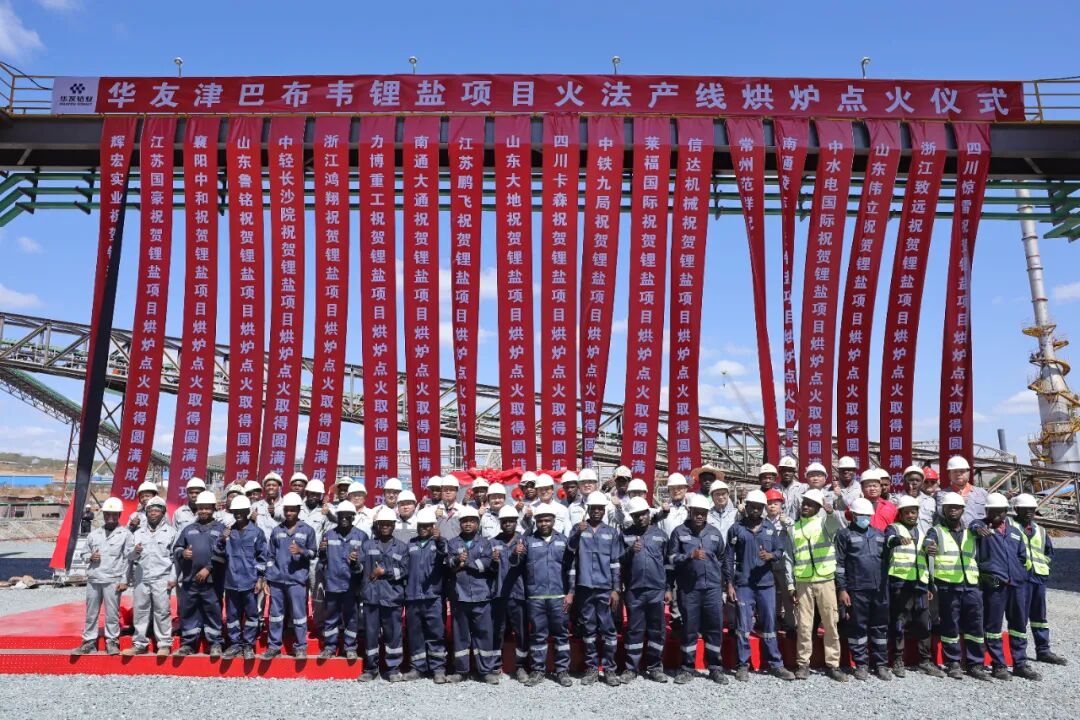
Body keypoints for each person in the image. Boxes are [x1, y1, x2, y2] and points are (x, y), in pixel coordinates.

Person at [725, 490, 795, 682]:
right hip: (744, 585)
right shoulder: (736, 529)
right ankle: (743, 665)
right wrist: (729, 583)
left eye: (759, 507)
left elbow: (780, 550)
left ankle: (776, 664)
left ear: (763, 508)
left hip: (766, 585)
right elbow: (729, 558)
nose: (755, 510)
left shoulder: (770, 528)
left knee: (770, 625)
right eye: (752, 506)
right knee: (743, 626)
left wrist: (771, 556)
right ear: (746, 507)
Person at [971, 492, 1041, 681]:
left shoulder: (1015, 532)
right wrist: (978, 528)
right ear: (986, 511)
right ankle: (999, 665)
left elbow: (1022, 556)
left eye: (1000, 511)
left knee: (1019, 625)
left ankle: (1020, 664)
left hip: (1016, 585)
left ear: (1005, 512)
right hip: (995, 586)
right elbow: (973, 526)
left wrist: (1020, 574)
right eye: (992, 511)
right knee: (993, 626)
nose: (996, 514)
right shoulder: (982, 527)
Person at [924, 492, 988, 680]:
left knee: (975, 624)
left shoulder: (971, 530)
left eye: (957, 507)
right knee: (950, 625)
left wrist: (979, 526)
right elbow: (927, 542)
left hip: (971, 584)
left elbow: (979, 525)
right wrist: (928, 547)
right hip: (948, 586)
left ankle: (975, 663)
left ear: (962, 510)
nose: (953, 510)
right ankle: (953, 663)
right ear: (943, 510)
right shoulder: (936, 531)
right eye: (949, 507)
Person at [667, 493, 728, 685]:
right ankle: (687, 668)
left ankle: (715, 668)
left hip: (712, 589)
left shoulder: (714, 533)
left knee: (714, 628)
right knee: (689, 629)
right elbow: (670, 559)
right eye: (696, 512)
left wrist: (723, 582)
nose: (700, 516)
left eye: (703, 513)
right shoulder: (679, 532)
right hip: (689, 589)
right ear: (690, 511)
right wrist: (689, 556)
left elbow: (722, 558)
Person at [511, 503, 573, 687]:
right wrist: (515, 554)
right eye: (540, 520)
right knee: (538, 635)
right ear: (536, 522)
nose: (544, 523)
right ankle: (538, 670)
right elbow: (515, 565)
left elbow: (571, 569)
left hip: (559, 597)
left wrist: (570, 593)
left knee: (561, 635)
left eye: (547, 520)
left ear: (554, 520)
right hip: (536, 597)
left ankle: (562, 671)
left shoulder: (564, 540)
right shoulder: (528, 541)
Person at [566, 491, 623, 686]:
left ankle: (609, 669)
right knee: (588, 629)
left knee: (608, 629)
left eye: (600, 508)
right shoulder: (579, 528)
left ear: (604, 510)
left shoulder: (611, 532)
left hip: (605, 588)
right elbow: (570, 552)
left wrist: (616, 589)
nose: (597, 511)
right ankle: (591, 668)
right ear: (588, 509)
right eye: (594, 508)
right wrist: (577, 533)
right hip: (584, 587)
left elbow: (615, 563)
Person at [791, 488, 847, 682]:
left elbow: (836, 525)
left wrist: (830, 512)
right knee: (804, 625)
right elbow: (790, 557)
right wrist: (791, 585)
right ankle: (803, 664)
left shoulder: (825, 523)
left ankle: (833, 664)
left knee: (830, 623)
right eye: (804, 503)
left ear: (817, 508)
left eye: (810, 504)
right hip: (803, 581)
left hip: (825, 579)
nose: (805, 507)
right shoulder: (794, 528)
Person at [884, 495, 943, 677]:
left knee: (924, 623)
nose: (911, 515)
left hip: (920, 584)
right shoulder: (894, 528)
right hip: (900, 584)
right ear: (901, 514)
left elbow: (928, 557)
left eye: (913, 512)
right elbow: (889, 540)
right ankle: (898, 659)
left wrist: (929, 584)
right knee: (899, 621)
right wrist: (897, 540)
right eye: (907, 512)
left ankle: (925, 660)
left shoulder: (923, 531)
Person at [835, 497, 890, 680]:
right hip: (857, 589)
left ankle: (881, 664)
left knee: (880, 627)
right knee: (858, 628)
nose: (865, 518)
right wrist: (842, 589)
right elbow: (839, 564)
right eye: (861, 515)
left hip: (879, 589)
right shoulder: (844, 535)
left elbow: (886, 560)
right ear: (853, 515)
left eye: (867, 515)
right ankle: (861, 664)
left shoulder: (879, 534)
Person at [1010, 493, 1067, 666]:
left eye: (1032, 509)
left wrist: (1043, 568)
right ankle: (1019, 656)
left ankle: (1043, 650)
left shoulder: (1041, 531)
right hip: (1020, 580)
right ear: (1016, 509)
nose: (1029, 512)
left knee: (1039, 616)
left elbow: (1048, 553)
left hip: (1038, 579)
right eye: (1024, 509)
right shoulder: (1010, 527)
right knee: (1019, 618)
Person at [72, 497, 132, 655]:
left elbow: (128, 560)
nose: (110, 517)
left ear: (119, 515)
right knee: (91, 613)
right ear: (103, 515)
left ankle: (112, 641)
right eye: (107, 514)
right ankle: (89, 642)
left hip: (113, 580)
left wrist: (125, 580)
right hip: (94, 579)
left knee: (112, 613)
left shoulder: (125, 534)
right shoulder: (94, 534)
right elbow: (84, 553)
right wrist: (90, 557)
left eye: (113, 514)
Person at [445, 505, 499, 684]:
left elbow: (486, 565)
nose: (468, 524)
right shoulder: (453, 543)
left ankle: (485, 671)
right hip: (459, 597)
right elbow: (449, 564)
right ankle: (461, 671)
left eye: (471, 521)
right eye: (464, 521)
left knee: (483, 634)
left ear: (477, 523)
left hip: (481, 596)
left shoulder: (485, 543)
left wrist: (465, 562)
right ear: (460, 523)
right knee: (461, 636)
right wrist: (456, 561)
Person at [261, 492, 317, 659]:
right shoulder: (277, 530)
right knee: (275, 615)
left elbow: (313, 553)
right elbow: (270, 556)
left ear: (298, 510)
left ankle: (300, 647)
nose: (289, 513)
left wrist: (301, 551)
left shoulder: (307, 530)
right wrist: (268, 577)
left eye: (292, 510)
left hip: (297, 580)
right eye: (287, 510)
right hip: (277, 580)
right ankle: (274, 647)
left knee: (299, 616)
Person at [620, 497, 669, 683]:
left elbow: (668, 564)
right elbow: (618, 561)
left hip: (656, 589)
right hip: (634, 590)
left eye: (643, 514)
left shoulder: (661, 535)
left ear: (649, 513)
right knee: (634, 630)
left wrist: (668, 588)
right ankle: (631, 668)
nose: (640, 518)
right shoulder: (625, 535)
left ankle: (655, 667)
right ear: (632, 517)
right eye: (636, 515)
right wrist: (630, 551)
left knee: (657, 630)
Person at [358, 506, 409, 682]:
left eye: (388, 524)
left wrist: (384, 572)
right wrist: (353, 563)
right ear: (377, 525)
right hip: (371, 597)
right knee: (371, 635)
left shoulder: (401, 547)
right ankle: (370, 669)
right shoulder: (367, 545)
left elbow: (405, 571)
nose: (385, 526)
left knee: (393, 635)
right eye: (382, 524)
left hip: (392, 597)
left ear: (394, 525)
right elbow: (359, 568)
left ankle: (393, 669)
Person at [172, 490, 226, 657]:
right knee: (189, 611)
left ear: (214, 508)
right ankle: (188, 644)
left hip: (212, 580)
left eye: (207, 508)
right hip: (191, 579)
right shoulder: (188, 529)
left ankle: (215, 643)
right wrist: (183, 553)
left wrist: (208, 568)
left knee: (213, 611)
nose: (203, 511)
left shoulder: (221, 529)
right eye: (201, 507)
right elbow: (177, 548)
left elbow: (224, 553)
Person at [123, 496, 177, 656]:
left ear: (163, 513)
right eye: (150, 511)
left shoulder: (171, 533)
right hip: (141, 578)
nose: (153, 513)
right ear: (146, 513)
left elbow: (176, 558)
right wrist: (135, 552)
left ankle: (164, 644)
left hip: (162, 578)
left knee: (162, 611)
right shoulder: (138, 533)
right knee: (140, 611)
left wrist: (173, 577)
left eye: (157, 511)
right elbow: (129, 556)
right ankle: (139, 644)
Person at [216, 495, 267, 660]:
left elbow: (262, 557)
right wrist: (222, 540)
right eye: (235, 511)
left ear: (247, 511)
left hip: (250, 582)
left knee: (251, 615)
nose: (238, 514)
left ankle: (248, 645)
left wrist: (260, 578)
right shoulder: (228, 532)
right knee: (232, 615)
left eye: (241, 511)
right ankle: (235, 644)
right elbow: (218, 553)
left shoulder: (257, 532)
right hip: (231, 581)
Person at [403, 505, 449, 682]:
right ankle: (418, 668)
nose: (423, 528)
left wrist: (439, 541)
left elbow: (445, 555)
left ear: (433, 526)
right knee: (415, 634)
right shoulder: (411, 544)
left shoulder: (440, 542)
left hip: (433, 597)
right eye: (420, 525)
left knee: (436, 633)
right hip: (413, 596)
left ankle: (438, 669)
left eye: (427, 526)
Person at [318, 500, 366, 660]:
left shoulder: (361, 536)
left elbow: (364, 564)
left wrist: (356, 565)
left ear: (353, 517)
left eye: (348, 516)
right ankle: (329, 647)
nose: (344, 519)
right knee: (331, 617)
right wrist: (322, 552)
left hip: (351, 585)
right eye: (341, 516)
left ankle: (350, 648)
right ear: (337, 517)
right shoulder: (329, 535)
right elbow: (322, 561)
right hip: (332, 584)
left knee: (351, 617)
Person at [490, 504, 529, 681]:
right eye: (504, 521)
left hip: (519, 594)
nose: (507, 524)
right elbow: (488, 571)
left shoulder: (524, 541)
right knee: (498, 631)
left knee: (521, 632)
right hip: (499, 594)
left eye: (511, 521)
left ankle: (521, 666)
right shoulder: (493, 542)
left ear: (516, 521)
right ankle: (496, 665)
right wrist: (493, 562)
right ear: (500, 523)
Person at [765, 488, 796, 635]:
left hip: (784, 564)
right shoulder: (762, 522)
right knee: (771, 596)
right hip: (768, 564)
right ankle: (773, 622)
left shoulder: (787, 520)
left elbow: (795, 537)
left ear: (781, 505)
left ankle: (791, 624)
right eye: (769, 503)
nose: (772, 506)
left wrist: (787, 524)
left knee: (787, 595)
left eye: (775, 503)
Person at [940, 456, 987, 527]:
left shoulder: (982, 493)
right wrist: (958, 501)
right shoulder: (942, 494)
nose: (958, 474)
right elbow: (941, 513)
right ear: (949, 475)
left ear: (968, 473)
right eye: (955, 471)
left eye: (962, 471)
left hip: (979, 533)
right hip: (955, 533)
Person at [830, 456, 862, 531]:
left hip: (856, 529)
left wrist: (840, 496)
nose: (846, 472)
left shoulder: (861, 489)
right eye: (843, 470)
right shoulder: (830, 488)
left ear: (854, 471)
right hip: (836, 529)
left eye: (849, 469)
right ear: (838, 471)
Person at [656, 473, 691, 537]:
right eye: (672, 488)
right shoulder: (661, 510)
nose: (676, 491)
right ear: (668, 490)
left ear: (686, 489)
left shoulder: (692, 509)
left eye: (679, 487)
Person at [436, 476, 465, 540]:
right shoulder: (433, 509)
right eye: (445, 490)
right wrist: (436, 518)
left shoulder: (463, 510)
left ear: (456, 491)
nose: (448, 492)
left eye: (451, 489)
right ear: (441, 491)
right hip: (439, 545)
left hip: (458, 545)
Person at [916, 468, 940, 535]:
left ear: (937, 483)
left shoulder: (942, 497)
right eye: (926, 481)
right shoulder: (914, 498)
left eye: (932, 482)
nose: (929, 484)